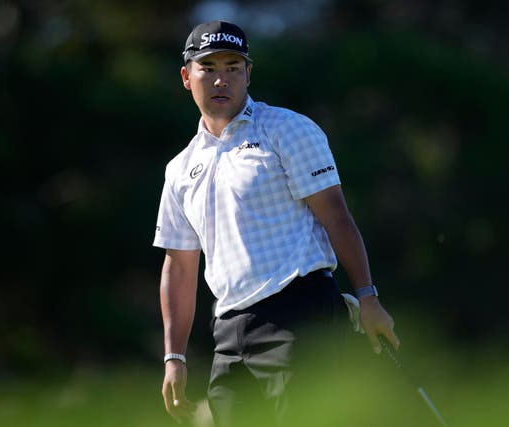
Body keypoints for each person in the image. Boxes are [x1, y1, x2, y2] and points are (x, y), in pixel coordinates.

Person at [153, 20, 400, 427]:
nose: (221, 79)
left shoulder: (287, 129)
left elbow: (336, 215)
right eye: (209, 68)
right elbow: (179, 266)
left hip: (300, 315)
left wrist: (368, 296)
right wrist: (174, 358)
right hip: (230, 335)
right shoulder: (180, 169)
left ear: (248, 74)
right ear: (186, 76)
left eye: (233, 68)